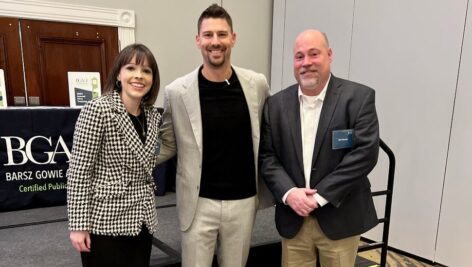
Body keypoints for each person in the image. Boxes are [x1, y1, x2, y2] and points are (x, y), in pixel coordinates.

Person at [157, 4, 273, 267]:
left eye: (222, 34)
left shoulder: (257, 84)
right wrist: (125, 159)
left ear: (233, 38)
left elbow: (269, 136)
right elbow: (167, 144)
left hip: (244, 202)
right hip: (198, 204)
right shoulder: (176, 91)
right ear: (198, 40)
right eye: (208, 35)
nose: (215, 42)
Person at [259, 29, 380, 267]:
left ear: (329, 55)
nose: (306, 63)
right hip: (293, 218)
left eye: (314, 54)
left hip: (340, 217)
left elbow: (364, 154)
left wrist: (320, 197)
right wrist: (289, 193)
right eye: (299, 56)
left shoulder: (358, 98)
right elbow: (267, 157)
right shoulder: (275, 105)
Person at [67, 43, 161, 267]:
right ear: (119, 74)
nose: (139, 76)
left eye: (146, 71)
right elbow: (79, 171)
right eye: (131, 68)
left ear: (152, 79)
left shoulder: (152, 114)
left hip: (142, 219)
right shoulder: (98, 109)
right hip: (105, 222)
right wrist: (78, 226)